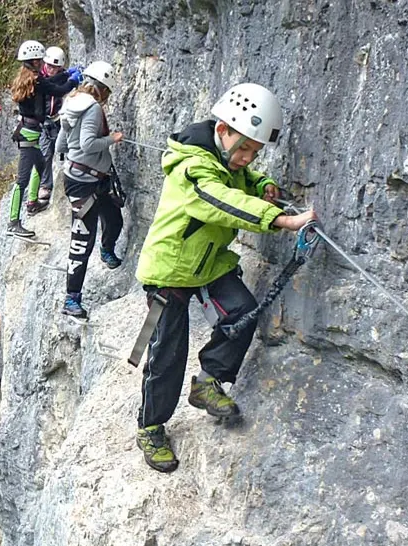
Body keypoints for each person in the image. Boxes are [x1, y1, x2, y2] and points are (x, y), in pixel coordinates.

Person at [133, 83, 318, 473]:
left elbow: (241, 182)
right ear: (222, 132)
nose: (248, 157)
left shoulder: (225, 160)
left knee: (242, 311)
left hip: (208, 264)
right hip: (169, 272)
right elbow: (222, 200)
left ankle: (208, 381)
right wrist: (281, 219)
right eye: (245, 148)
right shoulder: (193, 168)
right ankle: (150, 427)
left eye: (255, 151)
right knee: (165, 352)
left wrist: (263, 184)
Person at [54, 60, 124, 319]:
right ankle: (71, 299)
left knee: (114, 219)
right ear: (102, 89)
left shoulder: (71, 103)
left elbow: (62, 145)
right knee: (83, 238)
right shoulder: (92, 108)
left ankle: (107, 250)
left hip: (86, 178)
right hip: (85, 184)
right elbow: (86, 145)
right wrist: (112, 139)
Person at [6, 40, 80, 238]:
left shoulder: (27, 77)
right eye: (41, 60)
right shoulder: (36, 80)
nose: (42, 63)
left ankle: (32, 203)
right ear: (36, 61)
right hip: (30, 134)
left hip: (30, 130)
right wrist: (74, 80)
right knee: (22, 180)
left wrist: (66, 73)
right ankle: (13, 222)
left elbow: (50, 82)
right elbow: (57, 90)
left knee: (40, 166)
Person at [26, 46, 81, 215]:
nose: (50, 69)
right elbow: (57, 88)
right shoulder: (39, 78)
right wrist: (72, 80)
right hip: (42, 121)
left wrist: (68, 76)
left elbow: (61, 85)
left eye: (54, 67)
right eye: (48, 65)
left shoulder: (61, 75)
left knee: (66, 147)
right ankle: (45, 186)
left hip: (58, 119)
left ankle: (71, 180)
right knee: (45, 153)